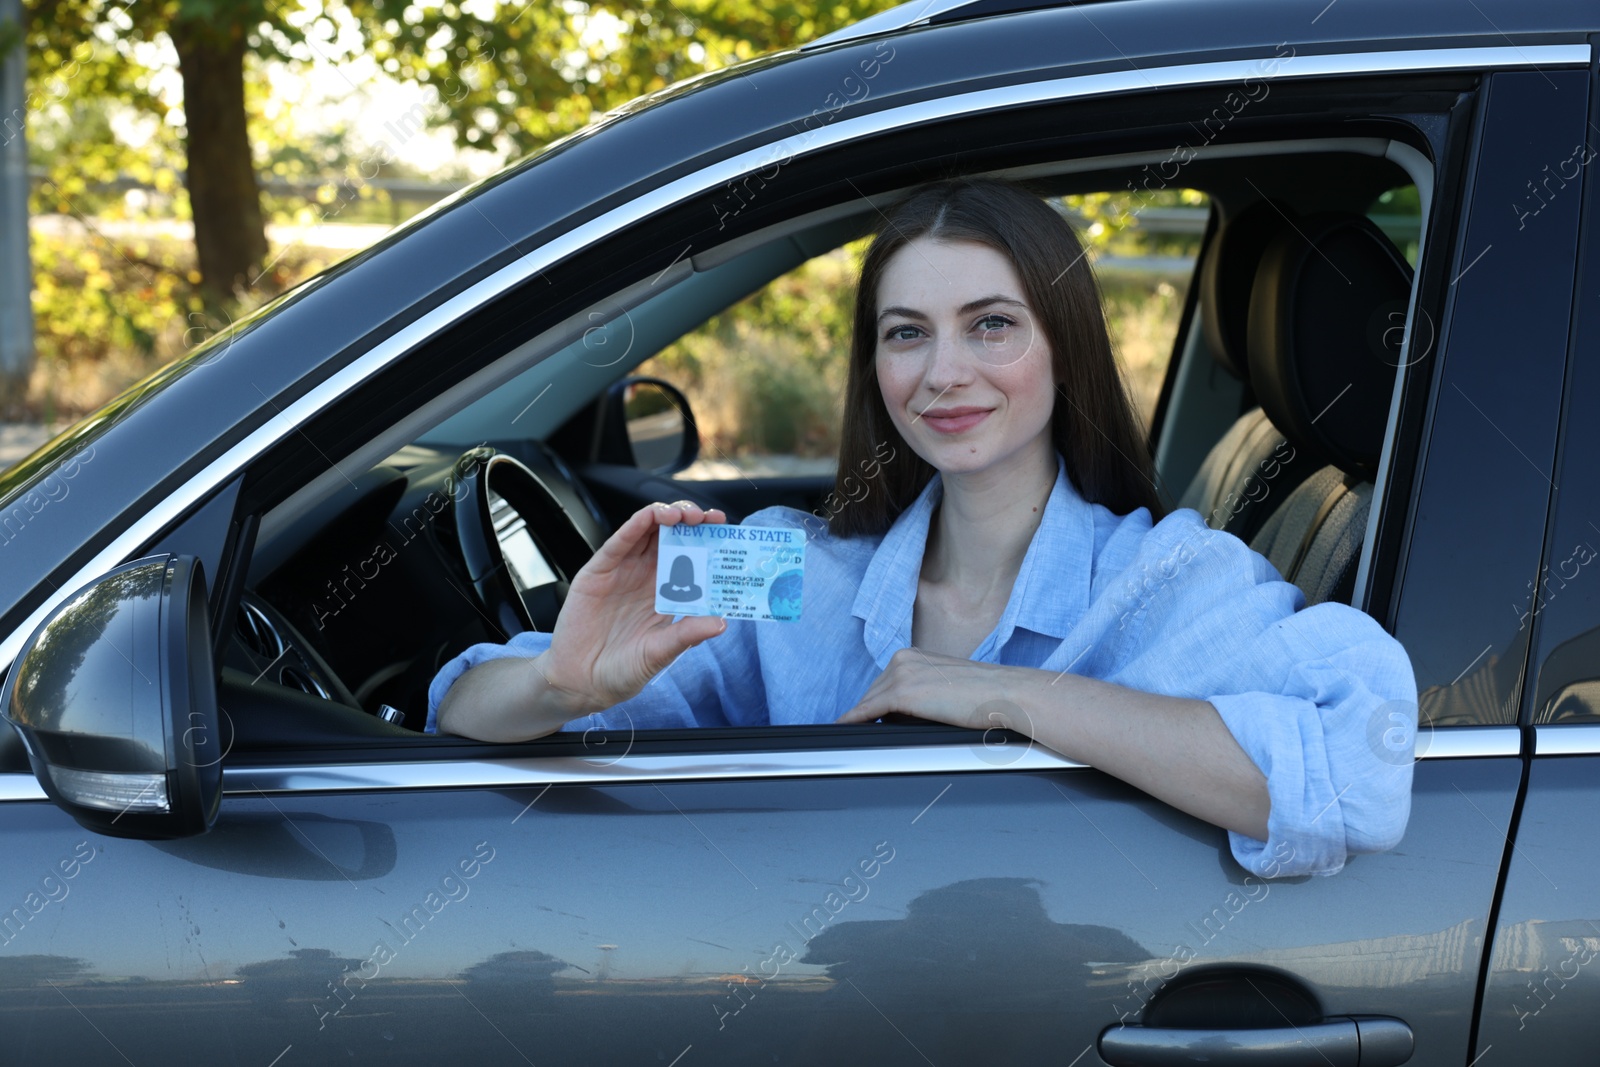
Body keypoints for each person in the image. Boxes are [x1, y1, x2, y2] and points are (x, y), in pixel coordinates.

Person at [427, 177, 1417, 879]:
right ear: (876, 365)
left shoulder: (1162, 574)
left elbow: (1359, 762)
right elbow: (462, 705)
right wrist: (558, 679)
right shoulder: (773, 558)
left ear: (1061, 348)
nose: (942, 371)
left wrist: (1007, 694)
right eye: (906, 332)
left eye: (991, 323)